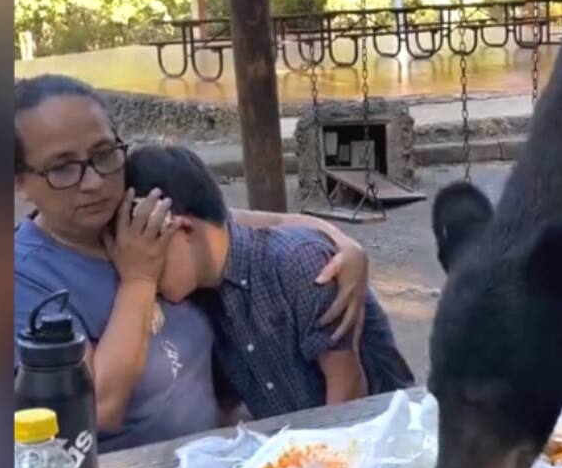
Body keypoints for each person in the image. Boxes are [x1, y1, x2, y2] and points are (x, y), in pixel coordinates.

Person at [14, 74, 371, 451]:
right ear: (20, 183)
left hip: (217, 464)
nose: (94, 183)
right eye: (62, 169)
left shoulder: (136, 213)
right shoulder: (24, 279)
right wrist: (138, 281)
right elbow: (96, 409)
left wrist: (345, 246)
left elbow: (236, 225)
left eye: (104, 154)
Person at [126, 144, 415, 419]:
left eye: (149, 256)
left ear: (182, 229)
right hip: (295, 446)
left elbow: (347, 391)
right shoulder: (202, 295)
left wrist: (317, 467)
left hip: (376, 433)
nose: (144, 274)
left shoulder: (299, 264)